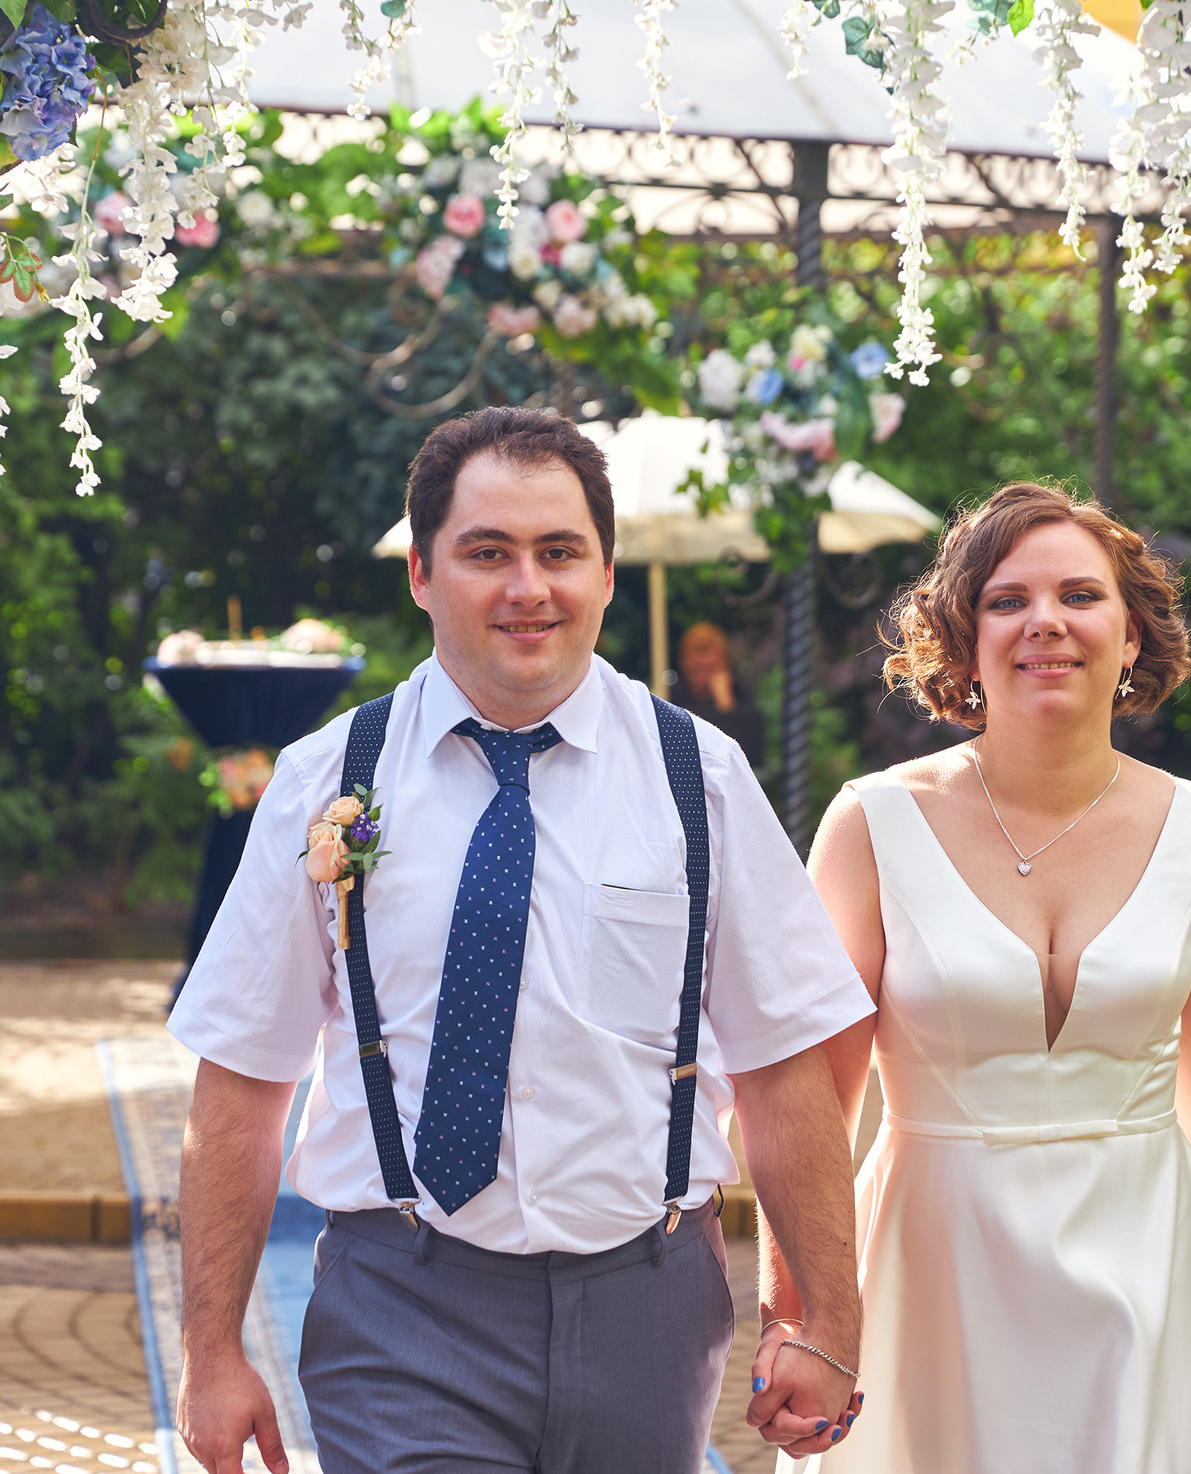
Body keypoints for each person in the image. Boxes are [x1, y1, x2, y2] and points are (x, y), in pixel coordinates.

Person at [169, 406, 877, 1474]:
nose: (526, 588)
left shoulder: (701, 780)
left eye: (559, 553)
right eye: (486, 553)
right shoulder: (327, 780)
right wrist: (210, 1352)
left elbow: (781, 1074)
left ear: (603, 571)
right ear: (421, 573)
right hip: (399, 1304)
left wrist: (828, 1321)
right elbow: (241, 1083)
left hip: (650, 1304)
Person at [765, 480, 1191, 1473]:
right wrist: (797, 1308)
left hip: (1149, 1262)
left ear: (1130, 636)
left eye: (1080, 597)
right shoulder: (870, 826)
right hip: (935, 1269)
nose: (1044, 622)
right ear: (963, 643)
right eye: (1006, 601)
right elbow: (815, 1097)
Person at [668, 621, 766, 770]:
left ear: (724, 661)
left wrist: (725, 702)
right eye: (697, 669)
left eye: (711, 668)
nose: (704, 677)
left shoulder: (740, 695)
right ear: (683, 663)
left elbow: (746, 754)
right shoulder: (671, 698)